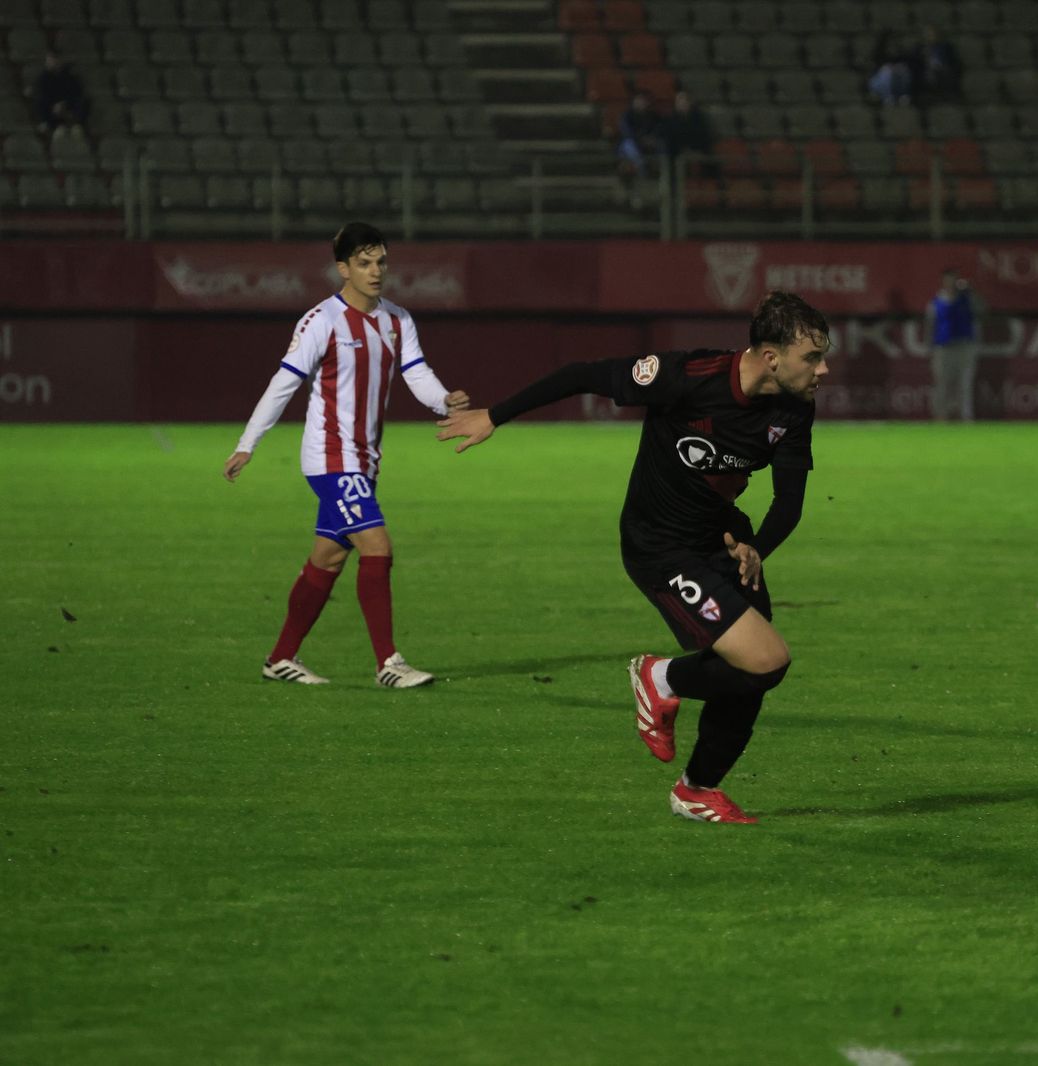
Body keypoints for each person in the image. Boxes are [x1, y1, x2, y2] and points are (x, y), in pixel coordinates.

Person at [435, 291, 831, 825]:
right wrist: (496, 416)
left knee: (753, 673)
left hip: (720, 540)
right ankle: (660, 677)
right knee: (765, 658)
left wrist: (756, 546)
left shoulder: (794, 408)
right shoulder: (688, 375)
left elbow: (789, 502)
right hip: (659, 546)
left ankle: (699, 788)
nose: (823, 369)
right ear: (769, 356)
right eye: (812, 357)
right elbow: (581, 374)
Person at [224, 222, 469, 688]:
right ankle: (388, 664)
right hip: (331, 458)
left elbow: (416, 372)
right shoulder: (322, 321)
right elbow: (284, 384)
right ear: (343, 268)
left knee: (328, 559)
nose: (375, 272)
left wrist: (444, 401)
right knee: (377, 547)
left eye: (380, 262)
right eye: (364, 263)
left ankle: (280, 658)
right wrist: (247, 444)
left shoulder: (397, 319)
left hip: (365, 460)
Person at [925, 267, 983, 421]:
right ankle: (941, 417)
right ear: (943, 281)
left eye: (953, 279)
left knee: (965, 384)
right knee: (942, 384)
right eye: (948, 279)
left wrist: (972, 292)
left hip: (965, 346)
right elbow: (930, 326)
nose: (951, 283)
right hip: (943, 347)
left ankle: (965, 417)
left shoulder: (967, 299)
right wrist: (929, 347)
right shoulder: (936, 302)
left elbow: (981, 310)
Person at [33, 51, 89, 138]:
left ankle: (77, 124)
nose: (52, 63)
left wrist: (65, 104)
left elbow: (76, 93)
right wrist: (54, 106)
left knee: (84, 101)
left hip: (68, 108)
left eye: (54, 60)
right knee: (40, 101)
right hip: (51, 110)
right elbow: (42, 95)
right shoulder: (43, 79)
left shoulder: (71, 77)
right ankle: (46, 123)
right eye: (49, 61)